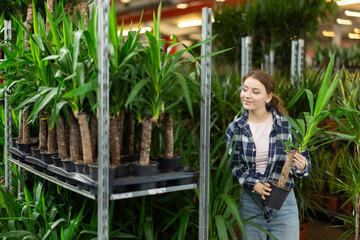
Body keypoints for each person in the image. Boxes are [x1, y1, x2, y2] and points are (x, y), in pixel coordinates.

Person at [225, 69, 311, 240]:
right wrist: (255, 184)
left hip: (284, 205)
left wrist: (302, 165)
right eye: (245, 89)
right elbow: (235, 166)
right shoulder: (235, 129)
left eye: (255, 92)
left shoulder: (287, 126)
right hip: (251, 204)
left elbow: (304, 163)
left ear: (268, 97)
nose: (247, 95)